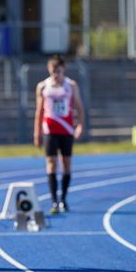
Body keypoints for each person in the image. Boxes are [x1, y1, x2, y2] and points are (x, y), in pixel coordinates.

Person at [33, 55, 86, 214]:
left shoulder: (71, 86)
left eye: (58, 70)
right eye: (52, 71)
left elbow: (80, 108)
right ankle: (54, 201)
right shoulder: (43, 86)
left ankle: (63, 198)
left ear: (63, 69)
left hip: (66, 130)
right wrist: (37, 132)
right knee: (51, 162)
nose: (55, 74)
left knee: (66, 163)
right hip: (49, 130)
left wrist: (80, 126)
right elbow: (39, 111)